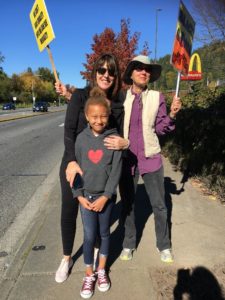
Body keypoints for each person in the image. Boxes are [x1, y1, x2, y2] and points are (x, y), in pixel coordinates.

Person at [54, 53, 127, 284]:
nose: (106, 75)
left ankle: (97, 252)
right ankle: (67, 258)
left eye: (111, 71)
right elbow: (69, 132)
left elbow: (118, 138)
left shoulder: (117, 104)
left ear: (115, 76)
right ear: (95, 72)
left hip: (100, 170)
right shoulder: (79, 96)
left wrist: (125, 143)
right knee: (69, 209)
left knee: (96, 213)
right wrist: (72, 161)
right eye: (102, 70)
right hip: (74, 165)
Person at [104, 55, 182, 263]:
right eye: (139, 68)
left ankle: (164, 245)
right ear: (131, 73)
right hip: (127, 158)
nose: (144, 72)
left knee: (159, 205)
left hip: (151, 157)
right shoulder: (121, 98)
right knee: (128, 204)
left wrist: (172, 115)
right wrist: (68, 94)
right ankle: (128, 243)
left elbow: (160, 128)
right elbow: (105, 115)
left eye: (147, 69)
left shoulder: (157, 98)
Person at [72, 88, 122, 298]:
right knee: (89, 235)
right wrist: (79, 195)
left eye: (103, 116)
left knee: (104, 234)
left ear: (108, 115)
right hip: (86, 199)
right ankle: (88, 273)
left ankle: (101, 269)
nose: (99, 120)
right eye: (94, 116)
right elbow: (77, 170)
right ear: (86, 117)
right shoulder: (81, 140)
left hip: (106, 198)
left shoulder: (113, 139)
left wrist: (106, 196)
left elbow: (116, 171)